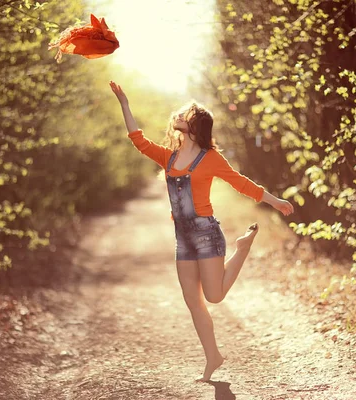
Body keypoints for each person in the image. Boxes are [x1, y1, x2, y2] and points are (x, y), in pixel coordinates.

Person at [109, 81, 294, 382]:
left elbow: (240, 182)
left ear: (195, 127)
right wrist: (125, 104)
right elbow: (138, 140)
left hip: (206, 233)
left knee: (215, 296)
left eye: (187, 114)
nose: (180, 116)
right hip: (183, 239)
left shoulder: (211, 159)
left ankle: (241, 249)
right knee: (193, 302)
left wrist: (275, 201)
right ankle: (213, 358)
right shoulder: (169, 157)